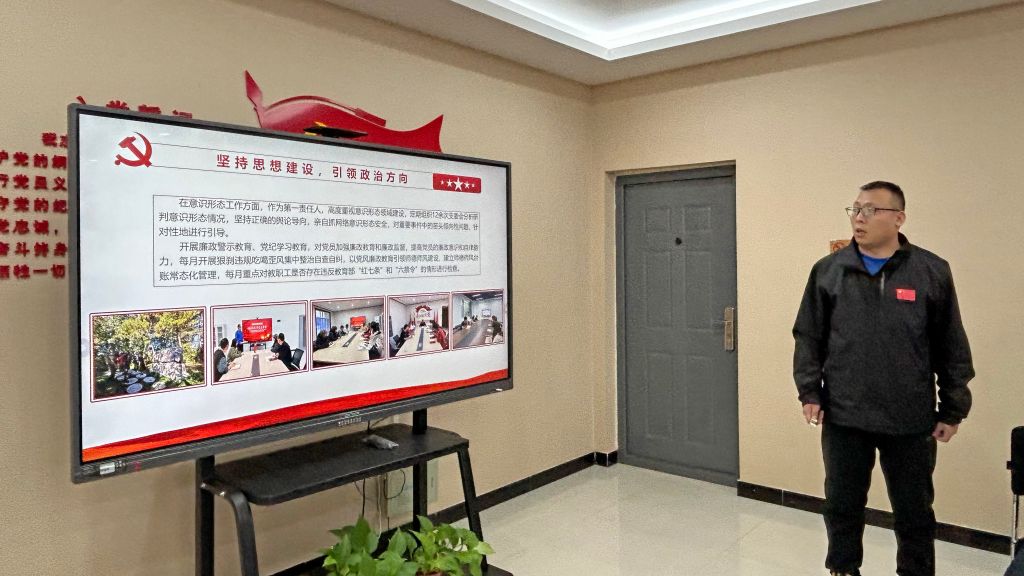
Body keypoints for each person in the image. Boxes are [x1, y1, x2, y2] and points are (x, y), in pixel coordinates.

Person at [793, 181, 974, 576]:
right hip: (845, 415)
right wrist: (810, 392)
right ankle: (843, 570)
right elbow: (808, 336)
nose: (859, 218)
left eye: (871, 210)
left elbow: (951, 344)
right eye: (855, 209)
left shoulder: (931, 271)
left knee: (914, 512)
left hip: (909, 418)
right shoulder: (828, 271)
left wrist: (953, 408)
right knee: (841, 506)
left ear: (898, 218)